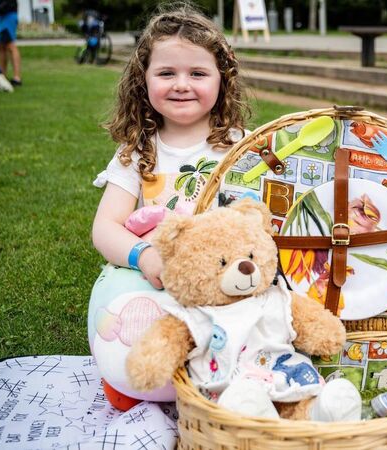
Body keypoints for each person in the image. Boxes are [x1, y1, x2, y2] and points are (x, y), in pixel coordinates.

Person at [91, 2, 249, 410]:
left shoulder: (241, 147)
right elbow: (105, 227)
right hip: (155, 280)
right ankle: (134, 379)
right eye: (166, 73)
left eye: (197, 73)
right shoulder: (137, 151)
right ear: (143, 81)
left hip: (221, 283)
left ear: (222, 80)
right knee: (132, 323)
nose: (182, 84)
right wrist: (143, 257)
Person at [0, 0, 22, 86]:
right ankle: (3, 76)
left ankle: (17, 78)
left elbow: (9, 2)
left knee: (10, 45)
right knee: (0, 46)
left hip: (8, 14)